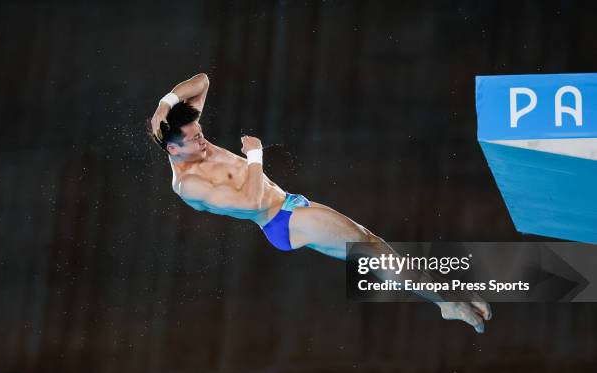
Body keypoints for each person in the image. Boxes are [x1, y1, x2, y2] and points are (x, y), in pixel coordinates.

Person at [149, 73, 492, 333]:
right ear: (174, 150)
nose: (204, 140)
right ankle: (451, 302)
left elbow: (202, 81)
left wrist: (166, 102)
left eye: (201, 132)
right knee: (369, 250)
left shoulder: (178, 133)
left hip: (291, 206)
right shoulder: (189, 185)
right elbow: (251, 202)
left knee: (373, 246)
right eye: (195, 140)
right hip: (281, 220)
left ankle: (448, 300)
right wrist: (254, 155)